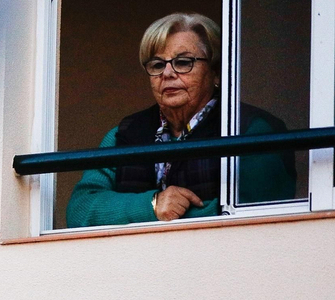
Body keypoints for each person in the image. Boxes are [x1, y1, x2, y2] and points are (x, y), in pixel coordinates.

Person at [65, 12, 295, 227]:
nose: (167, 73)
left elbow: (257, 211)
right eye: (157, 65)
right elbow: (79, 211)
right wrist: (152, 205)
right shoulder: (123, 134)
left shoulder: (250, 129)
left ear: (215, 73)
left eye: (183, 62)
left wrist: (175, 218)